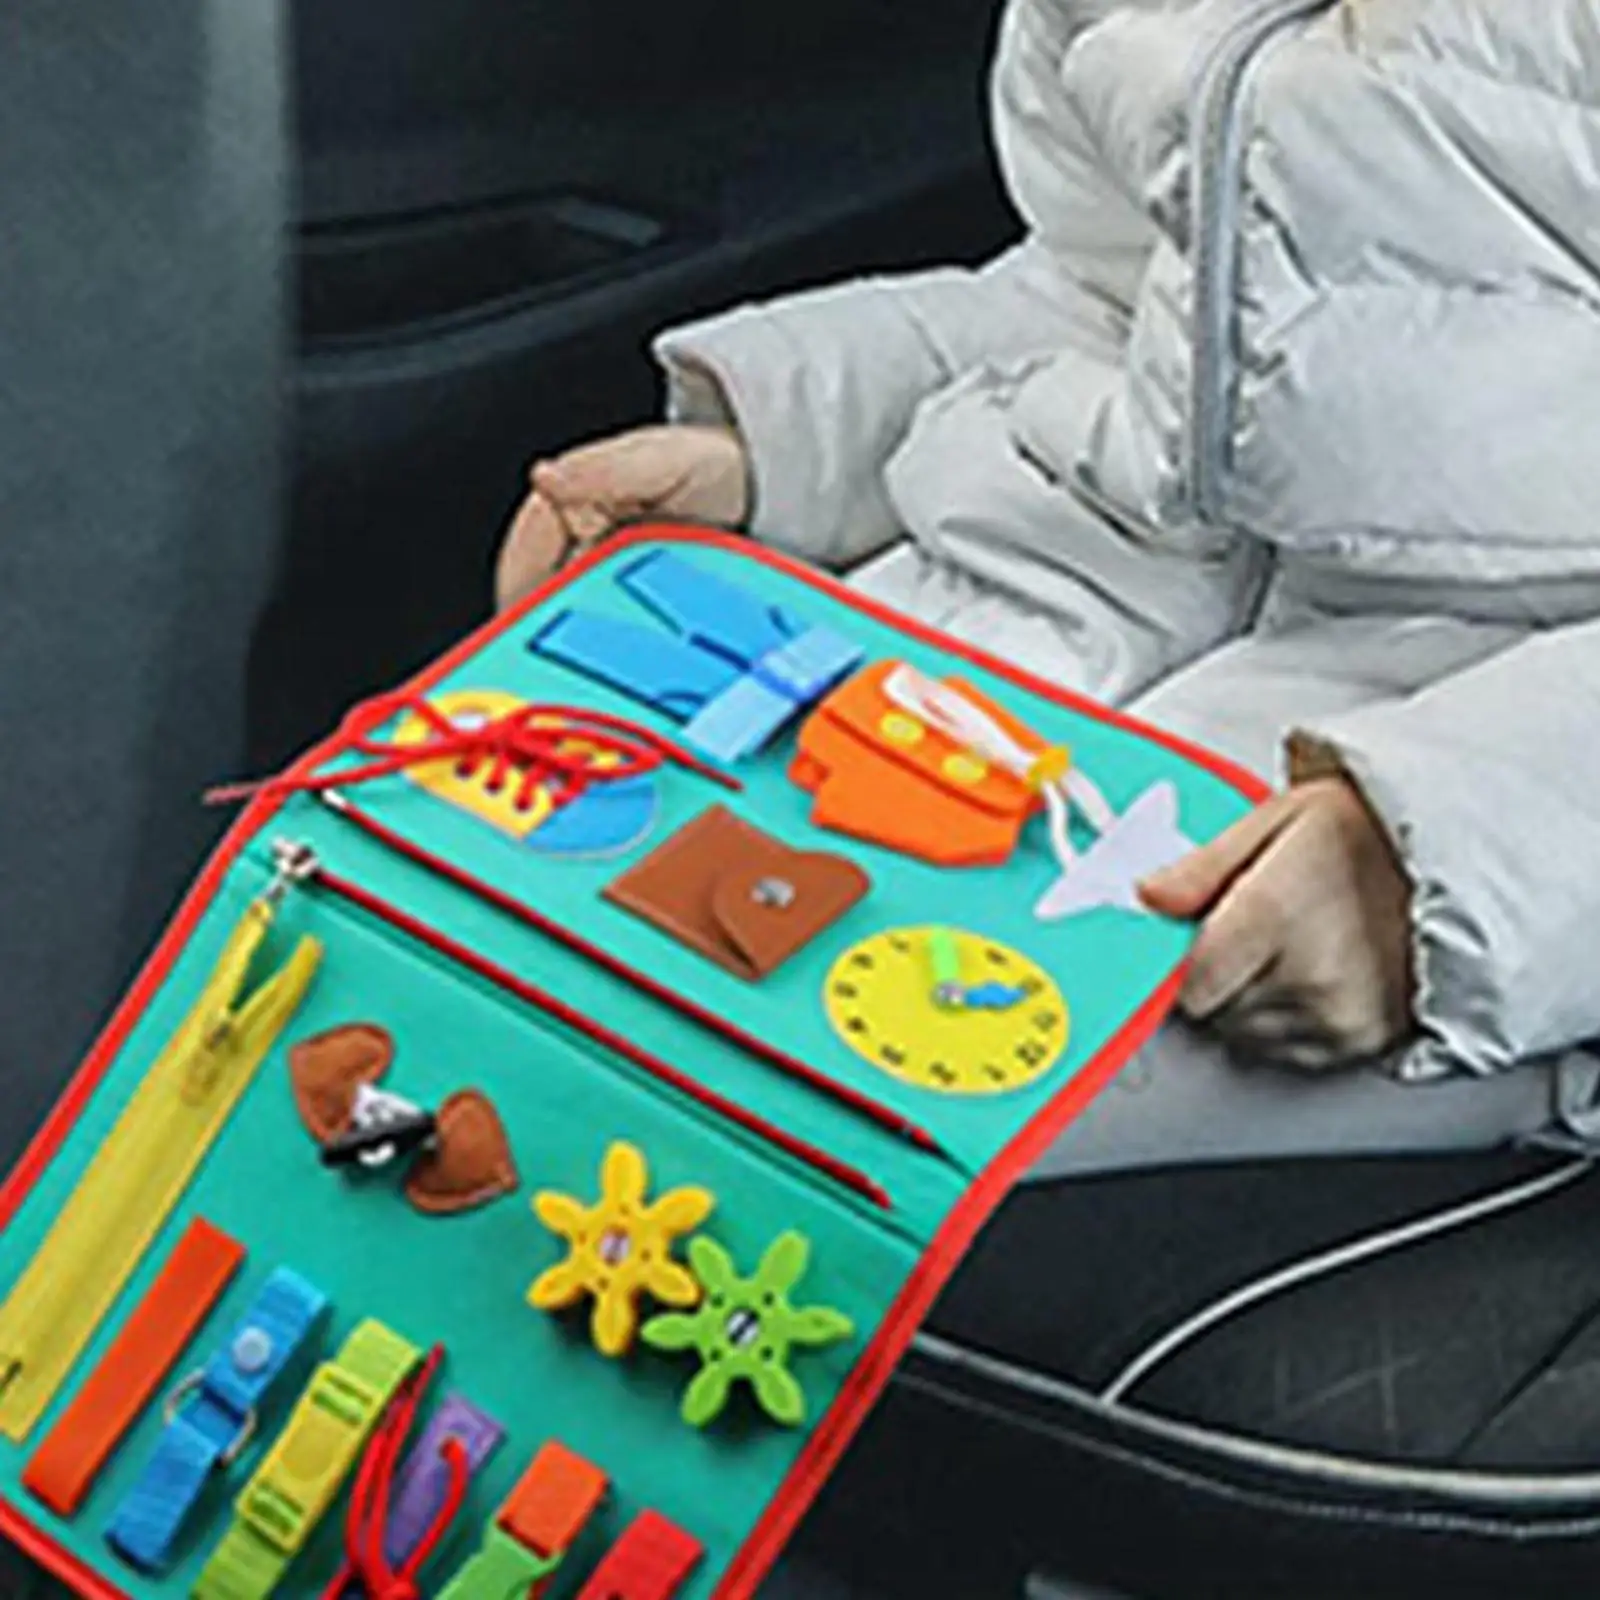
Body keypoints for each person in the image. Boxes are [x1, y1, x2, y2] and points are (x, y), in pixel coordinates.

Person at [495, 0, 1600, 1177]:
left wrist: (1438, 859)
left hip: (1442, 780)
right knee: (468, 922)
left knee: (686, 1126)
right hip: (1039, 614)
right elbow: (1102, 293)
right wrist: (779, 452)